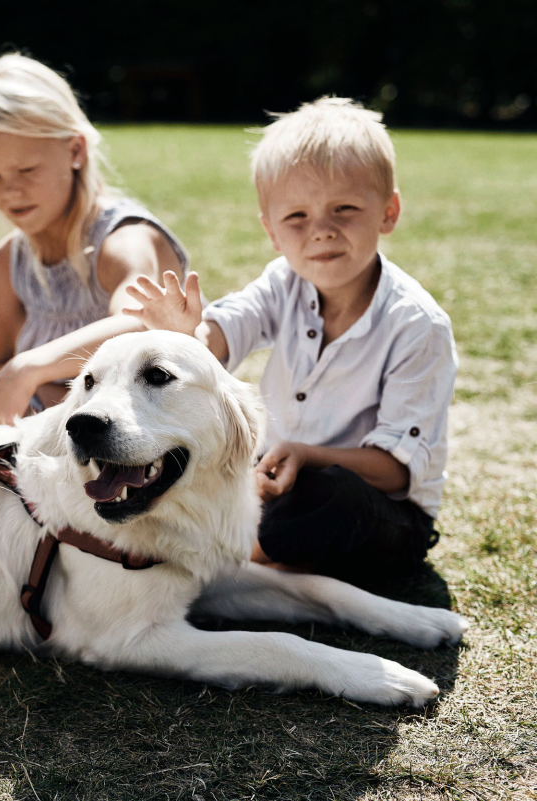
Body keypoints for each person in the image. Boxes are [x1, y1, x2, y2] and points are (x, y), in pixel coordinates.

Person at [125, 96, 457, 588]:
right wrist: (188, 332)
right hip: (281, 483)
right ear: (272, 232)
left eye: (344, 209)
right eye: (296, 217)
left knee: (330, 495)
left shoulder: (416, 324)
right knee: (205, 459)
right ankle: (270, 557)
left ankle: (240, 562)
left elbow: (395, 472)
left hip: (378, 513)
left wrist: (306, 454)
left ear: (388, 212)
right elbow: (227, 330)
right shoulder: (283, 283)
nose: (321, 231)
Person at [0, 53, 190, 423]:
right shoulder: (10, 259)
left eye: (26, 170)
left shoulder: (122, 240)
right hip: (51, 430)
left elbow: (143, 321)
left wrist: (31, 368)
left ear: (75, 150)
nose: (10, 192)